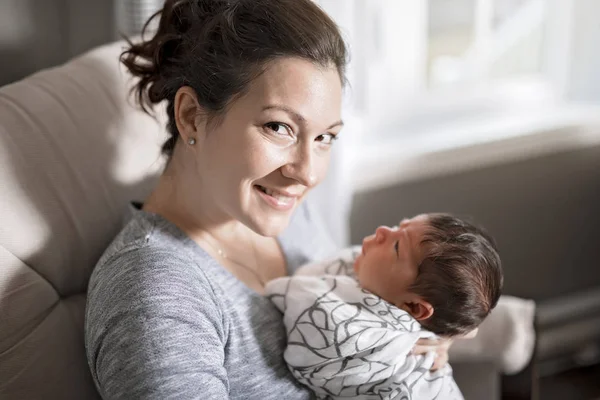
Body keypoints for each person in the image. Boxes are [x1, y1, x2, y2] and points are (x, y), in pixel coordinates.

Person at [84, 0, 459, 399]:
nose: (308, 173)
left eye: (324, 137)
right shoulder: (155, 297)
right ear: (192, 115)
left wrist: (427, 336)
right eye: (279, 127)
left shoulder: (284, 212)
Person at [264, 213, 503, 399]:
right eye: (399, 226)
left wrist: (443, 336)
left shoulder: (354, 336)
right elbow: (468, 328)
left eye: (397, 247)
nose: (382, 231)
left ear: (413, 307)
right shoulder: (384, 288)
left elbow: (310, 326)